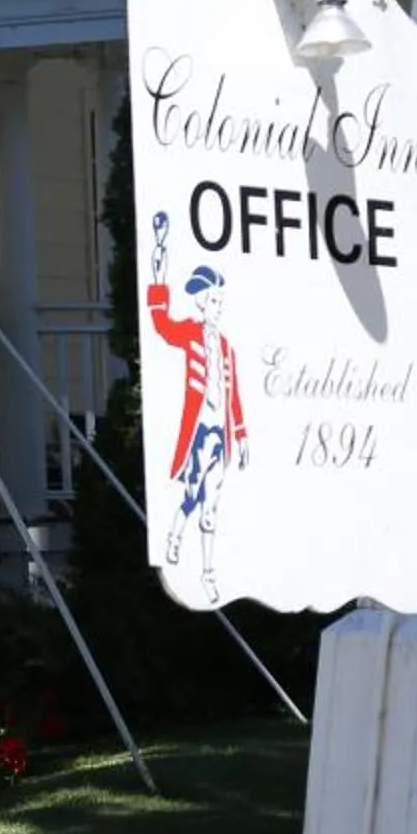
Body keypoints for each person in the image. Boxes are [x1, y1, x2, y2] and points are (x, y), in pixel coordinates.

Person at [145, 210, 247, 603]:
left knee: (212, 504)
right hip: (199, 430)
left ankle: (207, 572)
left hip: (220, 433)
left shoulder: (226, 346)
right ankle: (174, 540)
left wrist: (241, 434)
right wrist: (159, 265)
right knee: (191, 495)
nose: (219, 305)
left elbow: (233, 393)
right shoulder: (189, 333)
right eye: (215, 299)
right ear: (203, 300)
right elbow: (161, 323)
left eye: (222, 299)